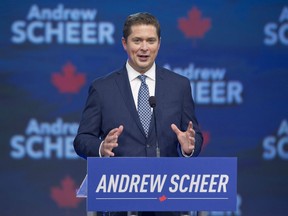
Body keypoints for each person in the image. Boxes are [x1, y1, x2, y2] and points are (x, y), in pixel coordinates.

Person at [74, 12, 203, 216]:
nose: (144, 47)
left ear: (159, 44)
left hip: (168, 203)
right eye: (137, 40)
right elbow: (81, 140)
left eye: (150, 40)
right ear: (125, 43)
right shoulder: (102, 88)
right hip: (120, 203)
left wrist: (188, 148)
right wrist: (101, 147)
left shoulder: (179, 86)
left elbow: (193, 136)